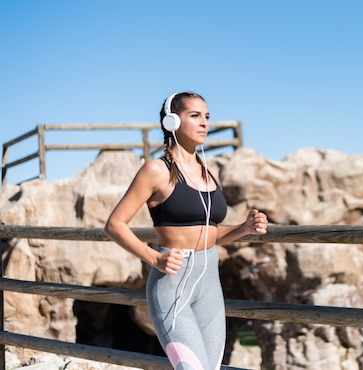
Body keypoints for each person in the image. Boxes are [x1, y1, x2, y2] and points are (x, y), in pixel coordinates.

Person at [105, 91, 268, 370]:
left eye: (206, 117)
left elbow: (210, 233)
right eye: (195, 116)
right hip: (172, 285)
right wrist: (154, 258)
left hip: (210, 285)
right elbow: (114, 225)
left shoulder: (208, 170)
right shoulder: (156, 170)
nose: (204, 123)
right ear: (171, 121)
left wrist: (244, 228)